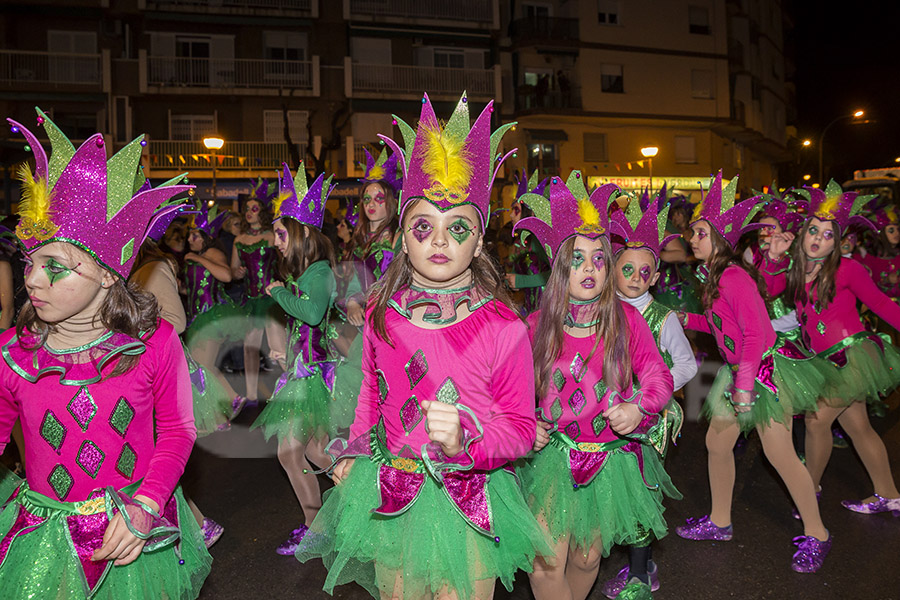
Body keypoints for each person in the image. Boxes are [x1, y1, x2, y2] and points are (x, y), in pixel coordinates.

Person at [296, 92, 551, 600]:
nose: (440, 241)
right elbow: (372, 389)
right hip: (393, 485)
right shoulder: (380, 311)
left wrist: (466, 444)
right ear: (404, 238)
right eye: (423, 227)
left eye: (457, 228)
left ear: (478, 242)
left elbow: (521, 428)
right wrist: (354, 447)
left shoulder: (505, 326)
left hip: (471, 490)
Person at [0, 108, 210, 598]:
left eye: (55, 266)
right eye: (30, 261)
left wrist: (146, 507)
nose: (31, 278)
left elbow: (178, 431)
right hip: (45, 541)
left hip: (131, 541)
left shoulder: (155, 344)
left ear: (108, 273)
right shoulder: (13, 354)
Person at [514, 173, 675, 600]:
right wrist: (526, 420)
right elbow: (507, 389)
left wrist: (641, 407)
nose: (589, 268)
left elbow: (659, 376)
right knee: (547, 563)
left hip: (608, 463)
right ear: (558, 267)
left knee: (587, 560)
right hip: (550, 459)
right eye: (577, 258)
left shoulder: (629, 322)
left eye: (599, 258)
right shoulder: (535, 326)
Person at [674, 172, 831, 573]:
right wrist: (685, 317)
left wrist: (744, 388)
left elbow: (758, 336)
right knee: (716, 444)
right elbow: (724, 328)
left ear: (721, 238)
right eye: (693, 231)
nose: (693, 238)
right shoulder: (715, 275)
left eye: (700, 232)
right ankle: (720, 521)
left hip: (760, 372)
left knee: (780, 456)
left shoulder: (733, 276)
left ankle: (818, 534)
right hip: (738, 369)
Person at [600, 190, 698, 598]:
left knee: (641, 490)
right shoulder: (600, 309)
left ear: (656, 277)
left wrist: (649, 395)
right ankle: (632, 559)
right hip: (607, 414)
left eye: (645, 272)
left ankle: (641, 572)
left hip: (648, 417)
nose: (636, 277)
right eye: (628, 269)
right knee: (613, 488)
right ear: (612, 270)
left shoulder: (661, 316)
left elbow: (688, 365)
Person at [784, 181, 900, 515]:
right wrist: (775, 253)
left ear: (837, 242)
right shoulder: (797, 272)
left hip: (851, 356)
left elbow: (879, 302)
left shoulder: (848, 268)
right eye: (813, 230)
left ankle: (809, 490)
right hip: (824, 360)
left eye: (828, 234)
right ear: (802, 234)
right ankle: (888, 493)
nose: (818, 238)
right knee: (858, 427)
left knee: (817, 422)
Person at [250, 163, 338, 555]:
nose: (275, 242)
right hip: (302, 371)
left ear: (301, 235)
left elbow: (314, 314)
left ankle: (317, 524)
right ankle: (357, 506)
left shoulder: (318, 271)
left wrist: (277, 293)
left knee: (292, 452)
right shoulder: (305, 274)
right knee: (317, 452)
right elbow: (306, 326)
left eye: (281, 234)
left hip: (317, 377)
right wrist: (286, 351)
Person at [133, 201, 227, 548]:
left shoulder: (154, 268)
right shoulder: (128, 269)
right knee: (144, 457)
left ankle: (198, 525)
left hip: (159, 370)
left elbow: (177, 321)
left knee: (154, 456)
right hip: (135, 371)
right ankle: (193, 524)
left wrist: (133, 331)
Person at [331, 148, 402, 431]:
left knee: (381, 381)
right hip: (361, 319)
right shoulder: (359, 238)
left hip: (388, 317)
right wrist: (350, 302)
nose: (371, 204)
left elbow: (399, 278)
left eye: (379, 198)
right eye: (367, 199)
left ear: (391, 202)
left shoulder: (399, 235)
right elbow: (349, 279)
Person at [182, 205, 245, 415]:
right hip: (197, 316)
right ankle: (224, 409)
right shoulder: (199, 254)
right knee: (202, 367)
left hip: (211, 317)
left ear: (205, 236)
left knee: (203, 368)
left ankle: (228, 403)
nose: (189, 239)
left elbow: (226, 276)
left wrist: (197, 259)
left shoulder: (212, 252)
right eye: (189, 235)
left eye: (194, 235)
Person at [230, 189, 283, 412]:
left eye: (255, 208)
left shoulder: (272, 236)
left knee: (276, 347)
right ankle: (251, 394)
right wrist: (238, 273)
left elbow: (284, 261)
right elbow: (233, 270)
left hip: (270, 298)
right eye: (247, 209)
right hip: (251, 298)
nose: (250, 212)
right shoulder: (239, 239)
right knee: (250, 349)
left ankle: (292, 386)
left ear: (261, 212)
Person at [505, 170, 550, 315]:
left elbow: (558, 273)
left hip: (547, 310)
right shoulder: (520, 241)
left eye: (516, 210)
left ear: (530, 213)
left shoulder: (541, 240)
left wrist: (521, 282)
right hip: (531, 309)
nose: (511, 214)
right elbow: (517, 276)